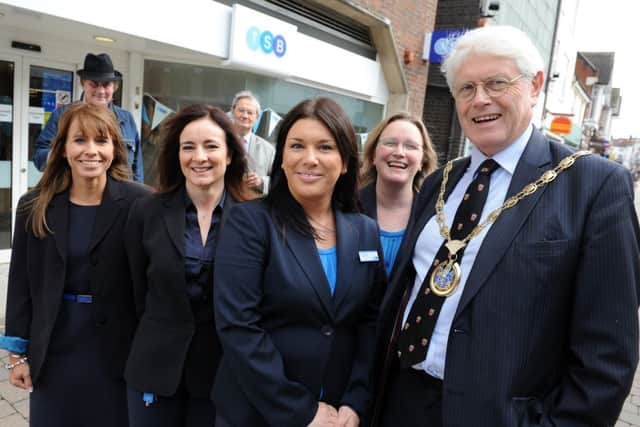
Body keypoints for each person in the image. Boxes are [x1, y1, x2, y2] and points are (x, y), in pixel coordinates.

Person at [373, 25, 640, 427]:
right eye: (466, 89)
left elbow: (608, 353)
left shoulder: (592, 185)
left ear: (534, 86)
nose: (480, 100)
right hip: (401, 401)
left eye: (497, 83)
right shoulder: (439, 182)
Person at [212, 97, 386, 427]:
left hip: (338, 415)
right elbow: (238, 326)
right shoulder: (250, 222)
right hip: (260, 412)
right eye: (296, 146)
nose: (309, 159)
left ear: (345, 162)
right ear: (282, 159)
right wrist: (300, 410)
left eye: (325, 147)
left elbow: (370, 323)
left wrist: (356, 401)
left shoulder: (365, 231)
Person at [0, 102, 149, 426]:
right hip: (54, 346)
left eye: (102, 140)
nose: (91, 151)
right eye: (80, 140)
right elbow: (21, 285)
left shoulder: (141, 203)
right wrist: (16, 356)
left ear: (115, 148)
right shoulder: (34, 205)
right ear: (63, 148)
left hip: (118, 350)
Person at [123, 104, 250, 427]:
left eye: (211, 146)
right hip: (156, 370)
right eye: (188, 147)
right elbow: (135, 292)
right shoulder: (146, 212)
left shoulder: (255, 219)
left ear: (231, 154)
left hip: (225, 375)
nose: (199, 157)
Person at [34, 53, 144, 182]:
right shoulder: (62, 115)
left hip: (121, 199)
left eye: (106, 84)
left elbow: (137, 169)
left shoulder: (127, 119)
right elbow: (39, 158)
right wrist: (64, 151)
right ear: (83, 83)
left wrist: (139, 199)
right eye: (94, 84)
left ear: (114, 87)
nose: (101, 91)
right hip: (73, 196)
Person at [359, 112, 437, 277]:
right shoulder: (346, 208)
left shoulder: (434, 218)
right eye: (390, 143)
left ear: (423, 160)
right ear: (373, 154)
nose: (400, 152)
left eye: (411, 146)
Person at [230, 90, 275, 194]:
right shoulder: (220, 142)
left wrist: (261, 182)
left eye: (250, 113)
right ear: (233, 111)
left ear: (257, 117)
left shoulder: (268, 149)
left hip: (254, 204)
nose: (245, 116)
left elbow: (278, 180)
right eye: (241, 110)